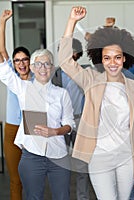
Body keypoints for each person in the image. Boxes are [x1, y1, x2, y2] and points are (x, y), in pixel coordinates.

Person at [58, 6, 134, 200]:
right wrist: (72, 21)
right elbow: (65, 61)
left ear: (124, 58)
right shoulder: (90, 79)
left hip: (127, 156)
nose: (112, 63)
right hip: (99, 156)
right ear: (101, 59)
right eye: (107, 58)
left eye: (117, 57)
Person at [0, 22, 75, 200]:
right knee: (33, 197)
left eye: (47, 64)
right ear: (33, 68)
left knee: (62, 197)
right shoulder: (23, 88)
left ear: (52, 68)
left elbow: (70, 124)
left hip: (58, 156)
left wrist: (55, 131)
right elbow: (2, 68)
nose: (42, 68)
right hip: (32, 156)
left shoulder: (62, 94)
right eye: (38, 64)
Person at [0, 9, 32, 200]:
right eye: (17, 60)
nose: (21, 63)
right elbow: (2, 50)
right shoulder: (11, 76)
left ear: (29, 61)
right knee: (15, 179)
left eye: (24, 59)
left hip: (31, 127)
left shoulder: (37, 79)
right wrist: (3, 22)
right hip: (12, 128)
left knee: (33, 178)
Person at [52, 38, 92, 200]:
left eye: (67, 50)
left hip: (82, 121)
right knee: (61, 164)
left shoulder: (86, 71)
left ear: (76, 53)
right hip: (61, 123)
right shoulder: (53, 73)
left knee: (82, 165)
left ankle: (82, 197)